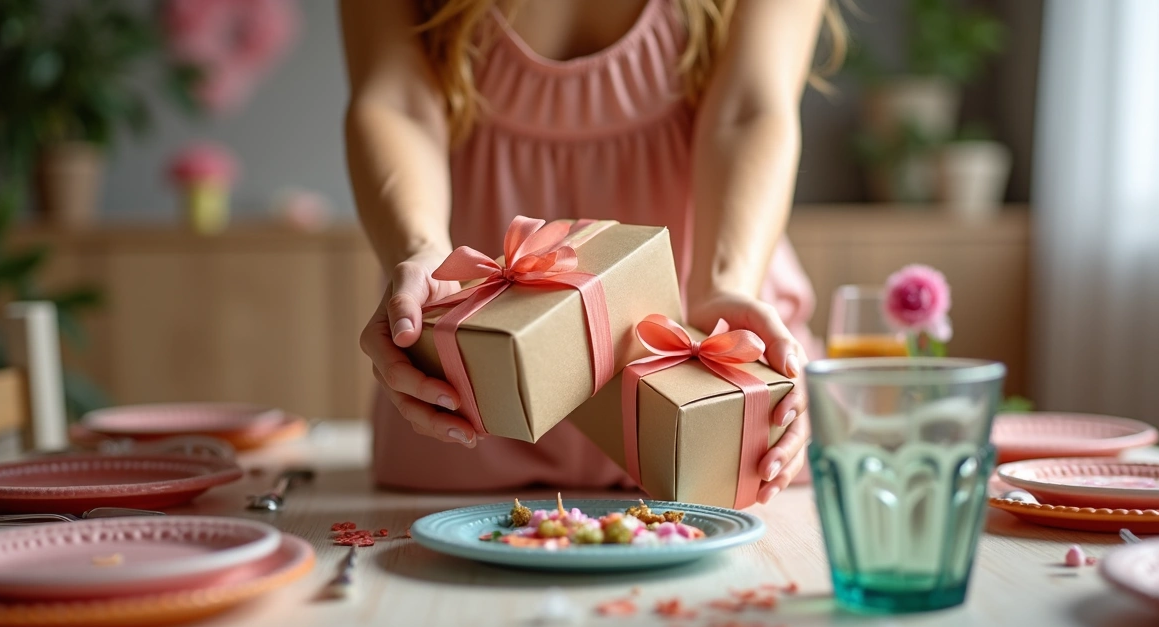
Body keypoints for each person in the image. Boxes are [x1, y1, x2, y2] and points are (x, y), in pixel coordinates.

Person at [342, 0, 843, 504]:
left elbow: (750, 107)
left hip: (712, 407)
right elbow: (396, 101)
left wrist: (725, 287)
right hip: (471, 403)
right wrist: (423, 251)